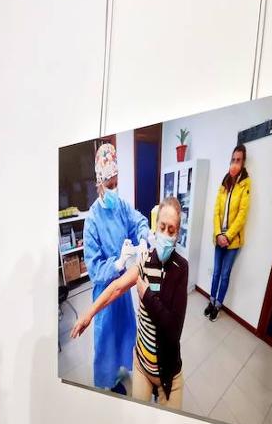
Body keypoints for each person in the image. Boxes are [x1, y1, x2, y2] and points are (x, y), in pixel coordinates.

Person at [72, 197, 189, 408]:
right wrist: (89, 313)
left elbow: (173, 330)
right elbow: (116, 288)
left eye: (171, 230)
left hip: (167, 370)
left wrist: (145, 294)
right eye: (161, 227)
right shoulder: (143, 260)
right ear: (156, 228)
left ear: (177, 234)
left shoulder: (181, 268)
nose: (165, 235)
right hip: (143, 364)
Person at [83, 143, 150, 394]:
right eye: (109, 186)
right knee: (106, 337)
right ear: (99, 184)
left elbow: (139, 221)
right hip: (104, 289)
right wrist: (118, 263)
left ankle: (122, 367)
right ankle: (108, 382)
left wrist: (144, 237)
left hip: (122, 289)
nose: (114, 189)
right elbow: (93, 268)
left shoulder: (121, 206)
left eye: (116, 183)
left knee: (124, 330)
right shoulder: (92, 219)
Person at [206, 143, 251, 321]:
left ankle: (218, 305)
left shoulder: (245, 184)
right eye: (233, 159)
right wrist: (218, 234)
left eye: (238, 160)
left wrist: (228, 236)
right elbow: (216, 210)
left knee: (225, 275)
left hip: (233, 240)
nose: (234, 163)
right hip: (219, 238)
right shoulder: (224, 183)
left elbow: (242, 214)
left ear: (243, 162)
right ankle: (211, 302)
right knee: (216, 272)